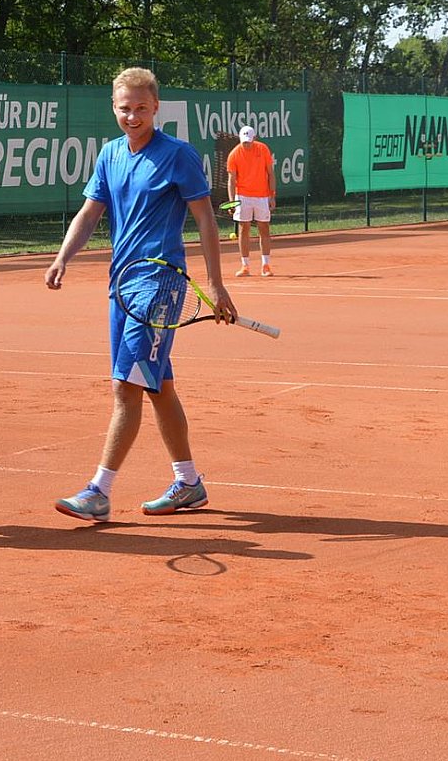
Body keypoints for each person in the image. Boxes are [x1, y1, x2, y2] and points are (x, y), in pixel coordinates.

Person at [45, 67, 236, 522]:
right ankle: (188, 483)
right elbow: (90, 213)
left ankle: (99, 491)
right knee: (158, 387)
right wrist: (63, 256)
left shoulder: (178, 155)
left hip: (160, 286)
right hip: (122, 286)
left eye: (141, 108)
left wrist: (215, 284)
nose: (133, 116)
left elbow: (205, 219)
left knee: (126, 387)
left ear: (156, 108)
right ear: (114, 108)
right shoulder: (110, 154)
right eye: (125, 108)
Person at [225, 124, 277, 276]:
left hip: (262, 196)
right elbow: (231, 181)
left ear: (254, 138)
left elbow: (271, 174)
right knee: (244, 229)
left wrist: (272, 195)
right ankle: (245, 266)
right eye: (244, 141)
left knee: (264, 228)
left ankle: (266, 265)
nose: (246, 144)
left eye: (249, 141)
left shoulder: (263, 149)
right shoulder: (234, 154)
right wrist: (232, 201)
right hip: (243, 196)